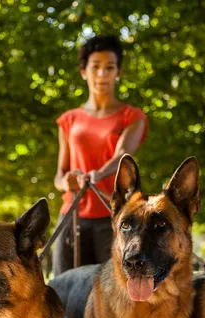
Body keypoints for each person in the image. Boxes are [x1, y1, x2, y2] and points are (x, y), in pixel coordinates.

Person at [52, 34, 148, 276]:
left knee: (110, 296)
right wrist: (68, 181)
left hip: (112, 218)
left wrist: (98, 174)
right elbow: (59, 176)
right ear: (84, 71)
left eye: (109, 68)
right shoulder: (69, 120)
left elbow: (123, 155)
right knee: (63, 289)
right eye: (95, 67)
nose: (102, 74)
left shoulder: (132, 116)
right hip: (72, 217)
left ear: (119, 72)